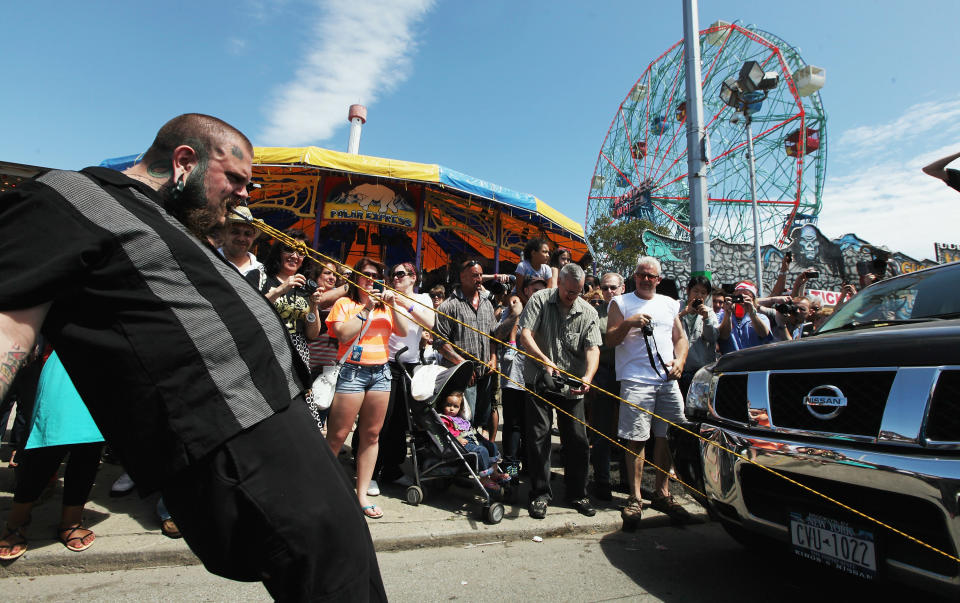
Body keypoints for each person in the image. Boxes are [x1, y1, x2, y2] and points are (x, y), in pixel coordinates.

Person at [0, 114, 385, 600]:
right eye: (238, 180)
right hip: (233, 439)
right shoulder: (66, 199)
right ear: (185, 161)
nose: (246, 195)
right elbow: (8, 329)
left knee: (346, 561)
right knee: (333, 580)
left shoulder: (170, 222)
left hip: (277, 426)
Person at [606, 257, 691, 527]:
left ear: (658, 279)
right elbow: (609, 340)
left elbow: (680, 338)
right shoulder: (620, 303)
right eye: (641, 274)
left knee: (667, 436)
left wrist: (680, 361)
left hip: (667, 381)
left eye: (650, 276)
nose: (645, 279)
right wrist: (628, 324)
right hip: (636, 380)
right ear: (634, 276)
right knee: (636, 439)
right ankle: (634, 497)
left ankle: (662, 493)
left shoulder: (669, 303)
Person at [325, 257, 408, 520]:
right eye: (365, 274)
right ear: (355, 277)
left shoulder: (385, 306)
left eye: (375, 275)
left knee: (372, 435)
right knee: (337, 435)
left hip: (381, 373)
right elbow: (343, 334)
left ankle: (361, 495)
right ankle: (322, 489)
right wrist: (366, 309)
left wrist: (393, 307)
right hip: (352, 372)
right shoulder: (344, 303)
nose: (370, 279)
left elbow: (404, 332)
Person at [0, 351, 104, 560]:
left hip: (105, 362)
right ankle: (17, 521)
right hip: (59, 358)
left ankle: (71, 521)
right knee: (48, 442)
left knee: (90, 443)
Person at [519, 263, 601, 519]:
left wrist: (588, 376)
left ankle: (578, 492)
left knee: (577, 439)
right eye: (568, 291)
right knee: (539, 437)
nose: (572, 296)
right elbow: (525, 334)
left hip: (572, 383)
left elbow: (593, 348)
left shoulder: (588, 312)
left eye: (577, 292)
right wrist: (544, 359)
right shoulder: (540, 300)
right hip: (539, 378)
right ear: (560, 283)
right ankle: (540, 493)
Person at [372, 261, 435, 493]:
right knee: (381, 418)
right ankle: (371, 469)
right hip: (384, 360)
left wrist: (402, 303)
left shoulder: (423, 299)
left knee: (400, 420)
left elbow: (430, 323)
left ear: (412, 278)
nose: (395, 278)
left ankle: (392, 467)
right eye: (393, 275)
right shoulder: (384, 296)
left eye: (400, 274)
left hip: (409, 364)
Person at [434, 259, 498, 435]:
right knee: (463, 423)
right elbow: (440, 343)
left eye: (480, 275)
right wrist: (464, 365)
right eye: (474, 275)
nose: (479, 279)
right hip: (462, 376)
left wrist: (493, 358)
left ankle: (484, 457)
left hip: (486, 372)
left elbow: (493, 336)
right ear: (462, 277)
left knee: (483, 419)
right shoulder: (449, 306)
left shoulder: (487, 303)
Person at [492, 275, 548, 477]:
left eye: (542, 290)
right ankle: (511, 470)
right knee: (513, 425)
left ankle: (528, 467)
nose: (538, 294)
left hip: (536, 379)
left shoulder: (547, 310)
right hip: (514, 377)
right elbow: (496, 335)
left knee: (532, 427)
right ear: (525, 291)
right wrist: (515, 315)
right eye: (534, 290)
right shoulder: (513, 308)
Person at [586, 272, 625, 502]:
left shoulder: (632, 310)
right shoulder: (595, 314)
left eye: (613, 288)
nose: (609, 292)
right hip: (604, 374)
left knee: (631, 432)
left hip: (629, 375)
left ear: (622, 288)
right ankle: (602, 481)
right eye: (605, 288)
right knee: (601, 431)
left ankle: (629, 481)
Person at [437, 390, 510, 491]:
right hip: (459, 444)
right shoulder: (444, 419)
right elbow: (445, 433)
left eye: (455, 406)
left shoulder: (460, 418)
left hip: (471, 439)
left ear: (460, 408)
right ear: (443, 405)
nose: (451, 409)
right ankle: (484, 479)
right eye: (448, 405)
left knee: (491, 445)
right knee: (481, 451)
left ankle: (494, 473)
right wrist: (457, 439)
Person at [678, 276, 719, 396]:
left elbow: (712, 337)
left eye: (703, 293)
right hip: (678, 369)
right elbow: (667, 327)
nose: (699, 296)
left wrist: (706, 319)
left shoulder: (709, 312)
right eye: (695, 291)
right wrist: (684, 313)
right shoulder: (677, 306)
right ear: (688, 291)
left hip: (700, 372)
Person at [718, 281, 773, 353]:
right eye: (739, 296)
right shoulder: (721, 317)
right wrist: (728, 313)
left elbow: (764, 334)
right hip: (731, 361)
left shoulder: (761, 318)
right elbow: (723, 336)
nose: (742, 299)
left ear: (753, 300)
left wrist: (752, 313)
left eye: (746, 296)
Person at [218, 205, 263, 274]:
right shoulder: (210, 259)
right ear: (224, 233)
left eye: (247, 234)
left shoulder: (261, 271)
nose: (241, 239)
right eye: (235, 232)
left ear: (253, 237)